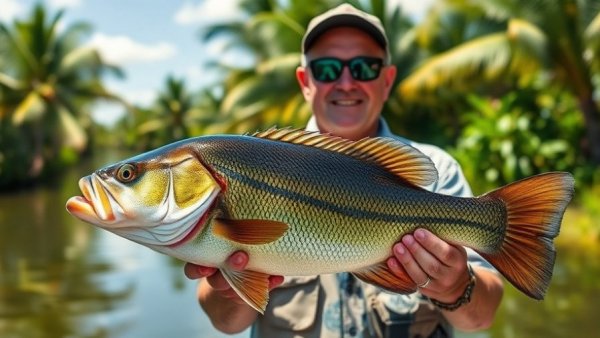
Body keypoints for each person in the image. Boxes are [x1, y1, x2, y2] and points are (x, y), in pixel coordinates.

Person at [185, 4, 504, 337]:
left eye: (365, 67)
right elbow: (226, 323)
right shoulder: (258, 167)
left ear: (387, 80)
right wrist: (232, 284)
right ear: (305, 81)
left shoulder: (437, 170)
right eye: (327, 69)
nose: (346, 82)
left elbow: (481, 318)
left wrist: (455, 287)